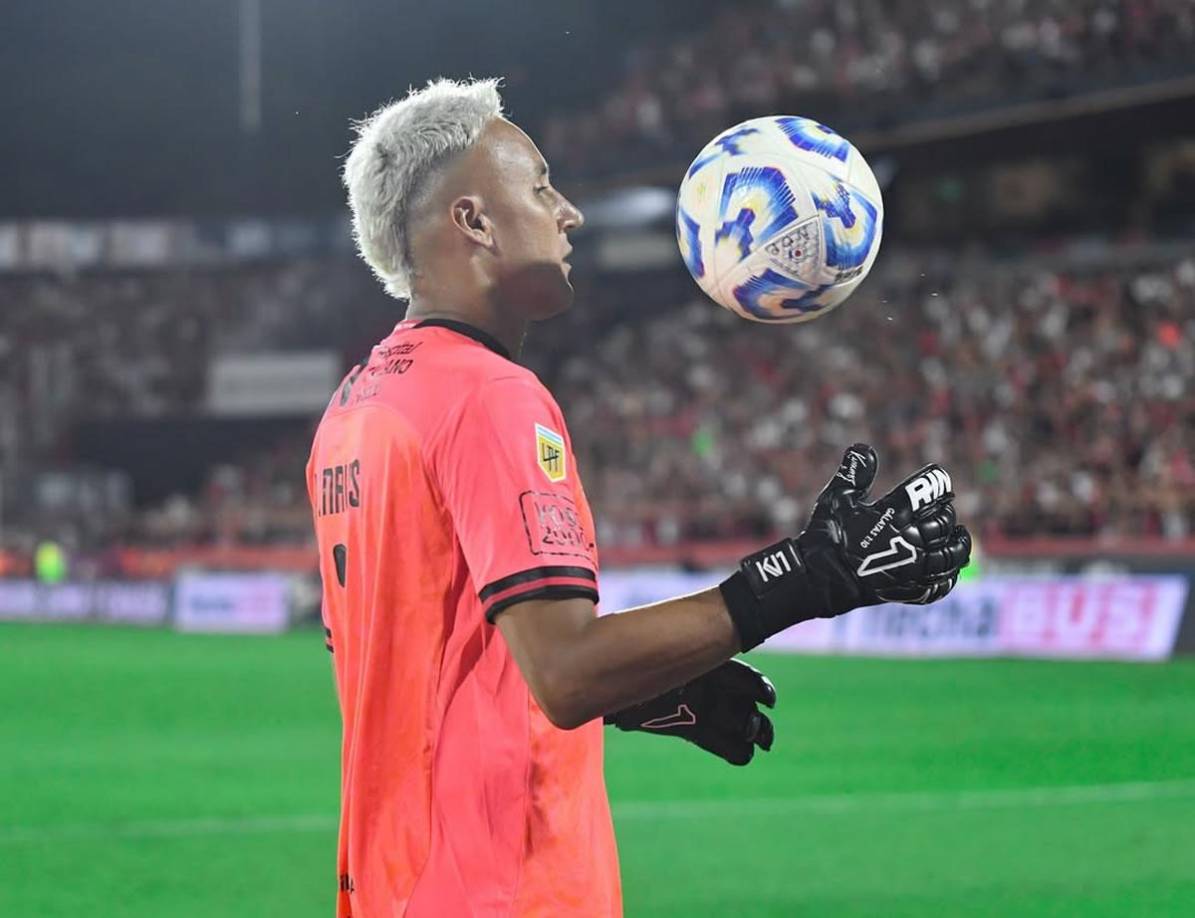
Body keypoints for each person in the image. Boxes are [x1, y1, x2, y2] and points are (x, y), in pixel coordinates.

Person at [307, 77, 971, 917]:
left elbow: (411, 655)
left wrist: (648, 688)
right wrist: (805, 578)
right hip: (503, 891)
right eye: (541, 185)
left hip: (395, 886)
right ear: (472, 220)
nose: (569, 212)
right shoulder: (487, 395)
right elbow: (566, 671)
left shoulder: (354, 409)